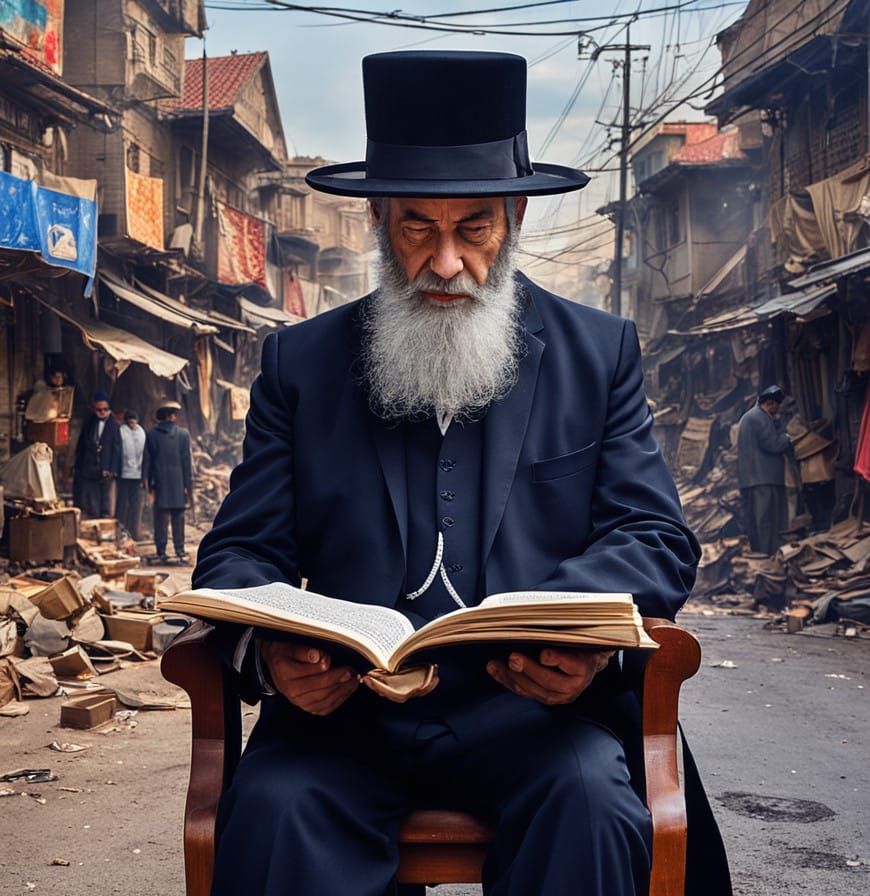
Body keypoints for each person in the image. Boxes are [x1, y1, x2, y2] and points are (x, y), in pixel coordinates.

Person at [193, 51, 730, 896]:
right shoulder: (301, 362)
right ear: (380, 222)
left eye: (472, 227)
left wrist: (570, 633)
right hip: (345, 724)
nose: (445, 262)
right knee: (272, 811)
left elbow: (653, 535)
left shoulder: (596, 355)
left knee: (593, 802)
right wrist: (269, 652)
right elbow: (238, 554)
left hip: (533, 718)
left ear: (513, 217)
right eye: (417, 228)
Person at [737, 384, 793, 555]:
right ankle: (767, 555)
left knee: (756, 520)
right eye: (776, 406)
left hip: (753, 478)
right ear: (770, 404)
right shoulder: (761, 418)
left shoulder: (750, 416)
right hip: (764, 478)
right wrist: (786, 437)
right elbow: (773, 445)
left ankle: (760, 553)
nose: (777, 410)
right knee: (767, 520)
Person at [144, 402, 192, 563]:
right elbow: (186, 463)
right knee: (178, 517)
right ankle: (180, 550)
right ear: (172, 416)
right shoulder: (183, 435)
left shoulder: (151, 435)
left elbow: (148, 462)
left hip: (160, 483)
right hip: (178, 483)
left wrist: (149, 485)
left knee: (160, 519)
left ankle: (161, 551)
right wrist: (187, 486)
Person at [72, 390, 120, 518]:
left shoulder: (114, 425)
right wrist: (77, 466)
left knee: (107, 505)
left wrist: (111, 469)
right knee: (91, 504)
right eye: (99, 410)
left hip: (106, 471)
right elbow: (81, 446)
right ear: (94, 409)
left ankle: (105, 530)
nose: (102, 412)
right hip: (89, 469)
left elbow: (117, 449)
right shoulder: (88, 423)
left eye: (105, 409)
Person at [116, 409, 146, 539]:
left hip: (138, 474)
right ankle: (121, 530)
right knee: (123, 503)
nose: (132, 425)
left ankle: (135, 530)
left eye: (134, 423)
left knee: (136, 504)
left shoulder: (141, 433)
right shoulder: (121, 432)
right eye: (130, 423)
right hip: (124, 473)